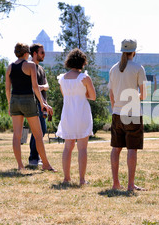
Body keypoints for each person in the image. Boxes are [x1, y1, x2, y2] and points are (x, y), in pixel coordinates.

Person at [5, 43, 56, 171]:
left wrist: (9, 104)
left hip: (15, 100)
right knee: (38, 135)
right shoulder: (31, 65)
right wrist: (43, 103)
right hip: (28, 100)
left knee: (17, 135)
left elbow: (7, 89)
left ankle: (20, 166)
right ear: (27, 53)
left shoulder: (10, 67)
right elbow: (35, 87)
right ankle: (45, 164)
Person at [108, 39, 147, 191]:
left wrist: (115, 108)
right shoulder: (138, 68)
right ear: (134, 52)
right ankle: (130, 185)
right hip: (133, 114)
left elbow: (111, 94)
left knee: (116, 148)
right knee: (132, 149)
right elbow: (143, 95)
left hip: (117, 113)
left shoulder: (113, 69)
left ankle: (115, 183)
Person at [56, 49, 96, 186]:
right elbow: (93, 96)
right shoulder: (84, 78)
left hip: (67, 114)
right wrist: (82, 95)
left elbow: (64, 95)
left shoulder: (62, 78)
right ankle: (82, 179)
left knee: (68, 147)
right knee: (82, 148)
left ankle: (66, 178)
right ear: (82, 63)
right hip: (82, 114)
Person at [28, 43, 49, 166]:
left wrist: (40, 87)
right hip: (34, 103)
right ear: (34, 53)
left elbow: (47, 85)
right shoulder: (30, 67)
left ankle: (35, 157)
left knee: (41, 130)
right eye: (42, 52)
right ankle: (34, 158)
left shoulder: (41, 69)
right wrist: (39, 88)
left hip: (43, 104)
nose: (44, 54)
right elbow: (31, 87)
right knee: (39, 131)